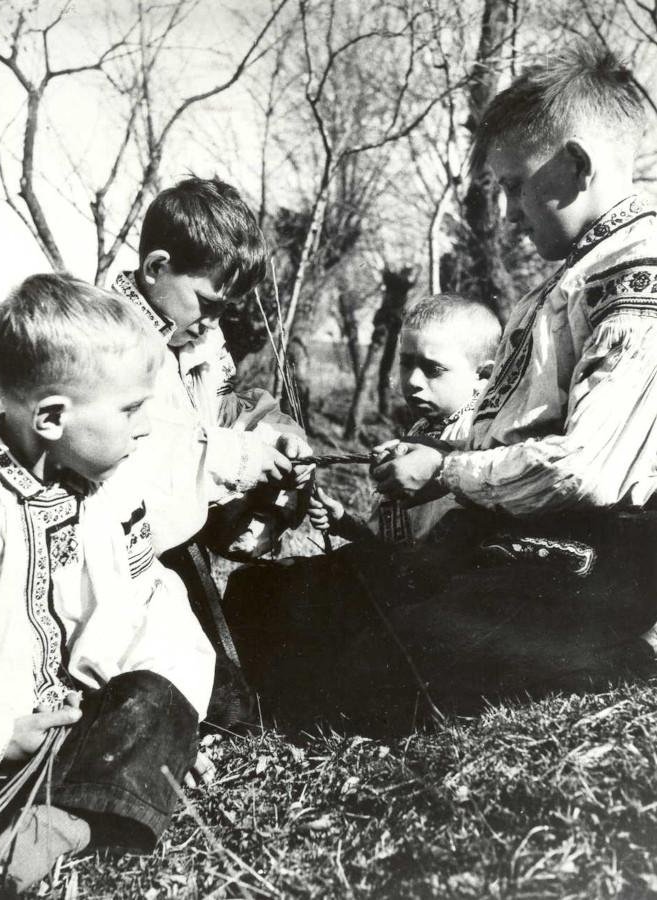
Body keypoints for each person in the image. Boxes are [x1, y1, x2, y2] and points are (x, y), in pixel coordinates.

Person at [224, 45, 657, 735]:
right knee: (265, 598)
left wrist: (445, 469)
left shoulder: (639, 280)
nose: (510, 213)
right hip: (506, 546)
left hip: (589, 571)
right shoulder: (566, 276)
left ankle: (618, 660)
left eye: (515, 184)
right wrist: (423, 451)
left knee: (369, 669)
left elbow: (584, 471)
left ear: (575, 166)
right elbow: (511, 422)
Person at [0, 275, 216, 893]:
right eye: (133, 410)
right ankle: (58, 817)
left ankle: (62, 823)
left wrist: (166, 720)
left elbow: (147, 606)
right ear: (53, 416)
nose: (145, 428)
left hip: (71, 727)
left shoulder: (107, 490)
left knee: (161, 694)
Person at [112, 176, 312, 559]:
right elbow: (124, 455)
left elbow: (223, 413)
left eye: (225, 308)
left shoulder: (201, 341)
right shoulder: (105, 341)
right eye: (207, 303)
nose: (213, 322)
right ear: (156, 267)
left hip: (180, 549)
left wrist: (276, 440)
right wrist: (235, 457)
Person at [308, 294, 502, 544]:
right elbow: (391, 543)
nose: (412, 381)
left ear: (483, 375)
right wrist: (344, 522)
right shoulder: (420, 429)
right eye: (406, 363)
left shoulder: (478, 438)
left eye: (433, 369)